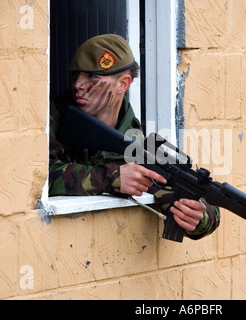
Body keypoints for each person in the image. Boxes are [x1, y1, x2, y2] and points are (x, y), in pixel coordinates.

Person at [49, 34, 220, 240]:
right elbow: (38, 178)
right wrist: (111, 177)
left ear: (123, 84)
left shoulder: (134, 143)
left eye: (92, 78)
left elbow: (188, 198)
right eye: (76, 75)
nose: (78, 84)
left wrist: (199, 217)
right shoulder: (51, 119)